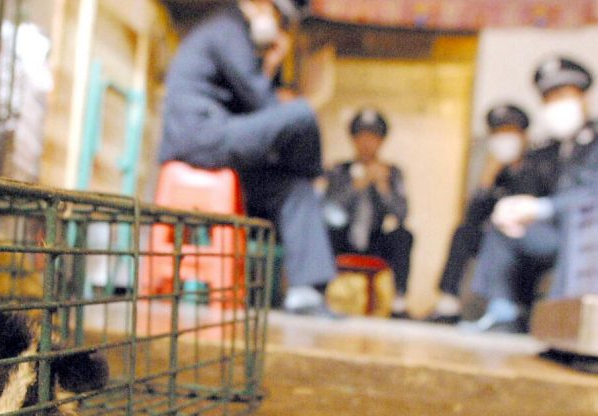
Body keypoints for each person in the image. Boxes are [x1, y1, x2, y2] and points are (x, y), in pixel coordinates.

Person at [158, 0, 337, 315]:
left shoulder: (234, 35)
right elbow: (264, 103)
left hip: (223, 139)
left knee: (293, 187)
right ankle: (316, 179)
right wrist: (275, 58)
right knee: (302, 114)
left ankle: (307, 292)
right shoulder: (228, 29)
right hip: (202, 137)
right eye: (279, 18)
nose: (280, 27)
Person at [466, 56, 598, 332]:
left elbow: (591, 193)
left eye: (562, 94)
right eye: (548, 98)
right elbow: (530, 193)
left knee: (578, 220)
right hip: (552, 234)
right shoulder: (547, 151)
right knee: (502, 227)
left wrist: (543, 208)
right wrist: (515, 211)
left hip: (587, 234)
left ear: (582, 95)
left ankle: (563, 324)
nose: (554, 104)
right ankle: (504, 312)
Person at [429, 104, 534, 323]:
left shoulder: (537, 164)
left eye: (509, 132)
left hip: (527, 233)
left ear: (523, 136)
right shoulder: (495, 170)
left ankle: (509, 308)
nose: (503, 139)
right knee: (464, 233)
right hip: (493, 234)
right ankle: (449, 303)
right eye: (498, 133)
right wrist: (486, 181)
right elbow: (472, 217)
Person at [322, 108, 413, 316]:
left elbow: (402, 214)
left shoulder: (392, 173)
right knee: (324, 231)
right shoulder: (339, 170)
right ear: (353, 139)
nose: (367, 142)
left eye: (373, 137)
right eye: (362, 136)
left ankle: (399, 302)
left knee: (404, 235)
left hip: (375, 240)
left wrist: (384, 187)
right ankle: (317, 291)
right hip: (343, 237)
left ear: (381, 141)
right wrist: (357, 186)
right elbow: (330, 213)